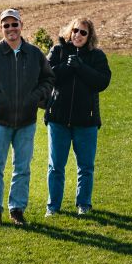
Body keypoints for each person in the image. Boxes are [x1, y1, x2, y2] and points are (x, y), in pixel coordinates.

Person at [0, 8, 54, 227]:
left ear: (21, 25)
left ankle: (17, 209)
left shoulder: (35, 54)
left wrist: (35, 97)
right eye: (6, 25)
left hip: (26, 121)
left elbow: (48, 80)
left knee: (22, 167)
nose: (10, 29)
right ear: (1, 28)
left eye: (14, 24)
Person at [44, 17, 112, 216]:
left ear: (89, 36)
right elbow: (48, 75)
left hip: (86, 120)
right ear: (69, 31)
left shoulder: (97, 56)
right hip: (58, 118)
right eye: (75, 30)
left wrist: (81, 67)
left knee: (86, 166)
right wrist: (67, 66)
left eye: (83, 32)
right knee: (56, 166)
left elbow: (102, 81)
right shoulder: (58, 51)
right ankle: (53, 207)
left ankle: (83, 204)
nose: (78, 35)